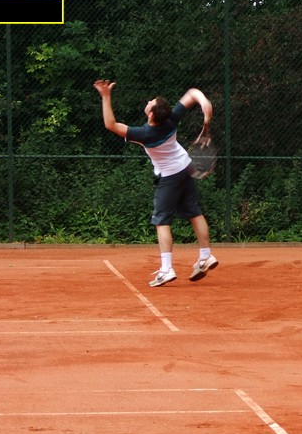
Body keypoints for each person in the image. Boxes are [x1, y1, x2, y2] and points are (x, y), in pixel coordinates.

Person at [93, 79, 218, 287]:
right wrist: (204, 102)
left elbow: (110, 124)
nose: (149, 101)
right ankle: (206, 256)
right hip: (186, 168)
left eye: (151, 102)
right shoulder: (172, 119)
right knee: (194, 213)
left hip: (169, 177)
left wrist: (106, 96)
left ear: (151, 115)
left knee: (162, 221)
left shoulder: (145, 134)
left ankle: (167, 269)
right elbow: (192, 93)